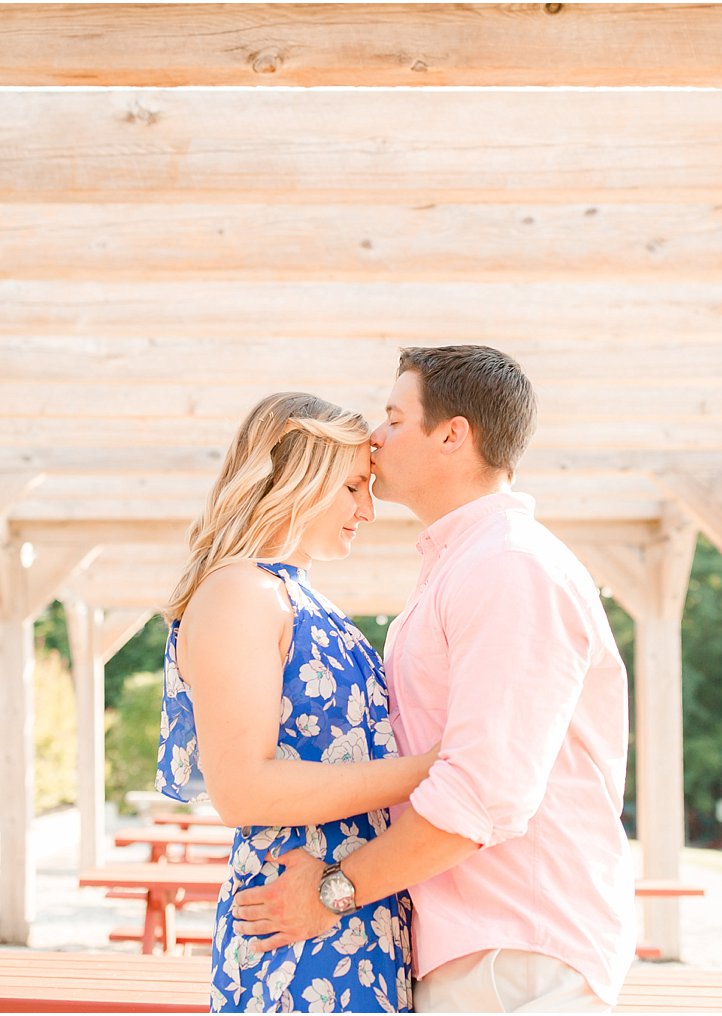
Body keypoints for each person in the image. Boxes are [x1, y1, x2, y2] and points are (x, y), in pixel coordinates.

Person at [230, 346, 636, 1012]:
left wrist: (333, 890)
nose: (374, 436)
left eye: (394, 417)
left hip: (515, 957)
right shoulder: (467, 563)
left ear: (453, 434)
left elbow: (485, 790)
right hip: (481, 949)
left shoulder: (509, 566)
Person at [155, 392, 434, 1013]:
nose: (368, 509)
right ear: (302, 480)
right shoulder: (240, 593)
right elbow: (242, 789)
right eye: (354, 488)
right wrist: (433, 769)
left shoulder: (294, 595)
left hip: (345, 918)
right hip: (296, 938)